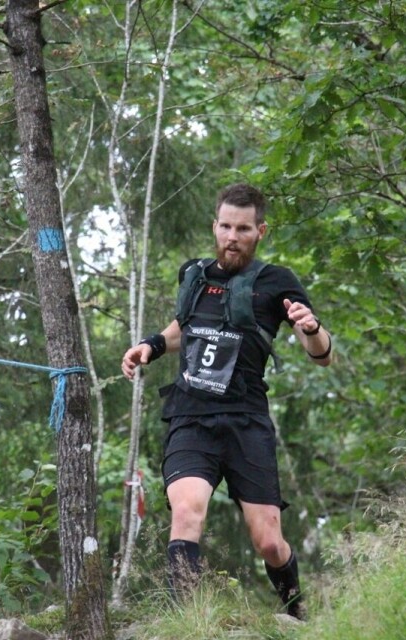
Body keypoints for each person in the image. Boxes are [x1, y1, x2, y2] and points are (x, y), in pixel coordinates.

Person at [121, 183, 332, 620]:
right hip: (190, 416)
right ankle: (188, 622)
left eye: (242, 228)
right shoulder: (194, 274)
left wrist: (310, 328)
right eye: (224, 227)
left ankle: (295, 613)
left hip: (246, 420)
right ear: (214, 226)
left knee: (269, 542)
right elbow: (187, 325)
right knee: (186, 513)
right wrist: (152, 345)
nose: (231, 237)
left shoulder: (278, 281)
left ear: (260, 231)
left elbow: (322, 356)